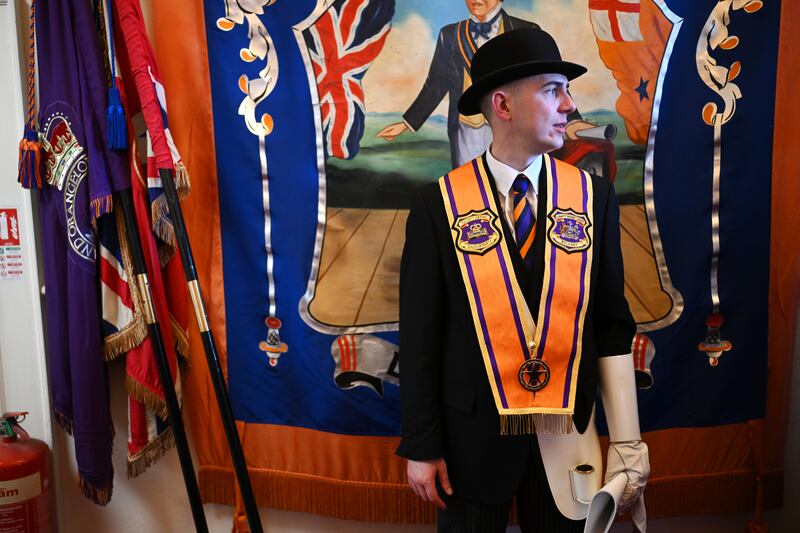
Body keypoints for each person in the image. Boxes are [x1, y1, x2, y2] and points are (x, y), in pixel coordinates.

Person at [397, 27, 649, 532]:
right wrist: (422, 446)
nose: (570, 106)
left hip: (568, 437)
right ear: (503, 105)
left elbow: (612, 324)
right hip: (469, 443)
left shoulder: (593, 199)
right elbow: (421, 336)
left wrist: (626, 443)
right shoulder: (436, 205)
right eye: (553, 89)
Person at [376, 0, 537, 167]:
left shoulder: (526, 31)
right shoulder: (450, 34)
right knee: (467, 187)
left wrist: (567, 120)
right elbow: (436, 84)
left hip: (513, 128)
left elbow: (544, 81)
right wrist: (406, 124)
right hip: (465, 130)